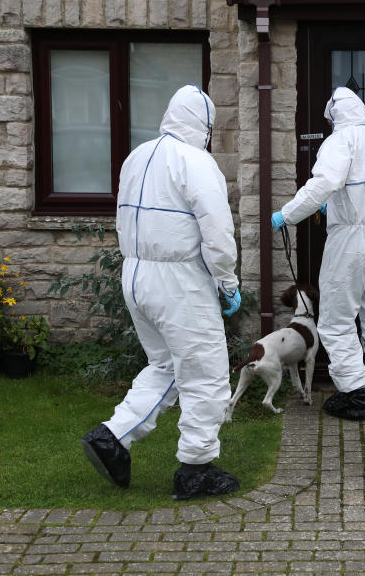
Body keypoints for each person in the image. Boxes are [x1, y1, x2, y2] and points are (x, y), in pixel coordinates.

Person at [81, 85, 243, 501]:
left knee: (167, 366)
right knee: (206, 374)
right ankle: (196, 469)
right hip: (179, 282)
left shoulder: (137, 157)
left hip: (135, 275)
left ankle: (112, 437)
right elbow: (218, 234)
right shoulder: (197, 162)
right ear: (204, 125)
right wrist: (227, 282)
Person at [271, 86, 365, 419]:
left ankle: (355, 394)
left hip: (353, 237)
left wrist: (287, 214)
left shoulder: (342, 139)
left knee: (334, 319)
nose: (330, 127)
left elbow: (324, 182)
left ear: (336, 117)